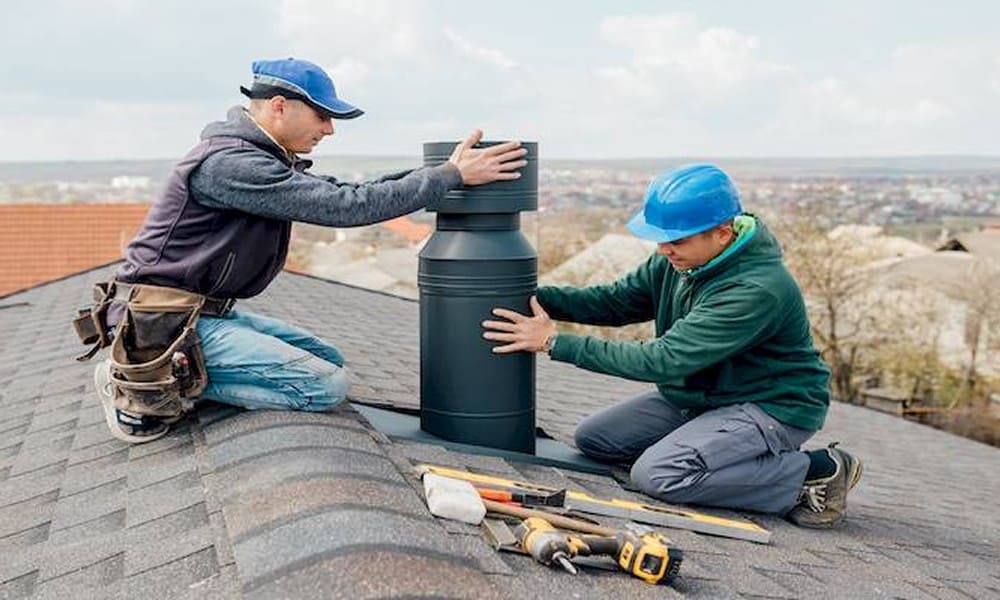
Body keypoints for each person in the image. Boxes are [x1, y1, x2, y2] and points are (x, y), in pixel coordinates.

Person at [87, 57, 527, 445]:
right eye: (322, 116)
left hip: (202, 313)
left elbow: (346, 190)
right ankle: (144, 383)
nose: (329, 129)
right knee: (323, 386)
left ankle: (175, 373)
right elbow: (346, 207)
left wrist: (443, 171)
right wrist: (450, 176)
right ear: (280, 106)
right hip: (162, 321)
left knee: (328, 360)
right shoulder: (230, 164)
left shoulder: (260, 157)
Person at [482, 163, 862, 528]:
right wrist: (532, 297)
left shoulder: (755, 289)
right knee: (596, 439)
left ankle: (812, 474)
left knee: (660, 474)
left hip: (770, 406)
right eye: (660, 238)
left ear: (723, 233)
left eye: (676, 240)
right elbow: (616, 302)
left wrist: (553, 342)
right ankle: (716, 450)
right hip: (704, 397)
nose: (664, 249)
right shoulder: (681, 260)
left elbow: (662, 361)